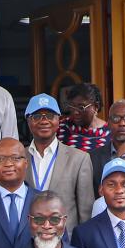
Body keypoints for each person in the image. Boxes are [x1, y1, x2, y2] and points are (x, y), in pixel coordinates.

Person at [23, 95, 94, 232]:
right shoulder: (19, 157)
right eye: (37, 116)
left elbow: (86, 211)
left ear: (59, 120)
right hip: (27, 240)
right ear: (28, 121)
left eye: (50, 115)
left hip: (65, 242)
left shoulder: (79, 159)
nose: (44, 121)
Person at [59, 84, 113, 156]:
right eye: (72, 106)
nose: (75, 112)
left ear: (96, 107)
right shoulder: (62, 127)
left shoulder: (109, 132)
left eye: (81, 107)